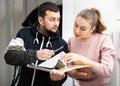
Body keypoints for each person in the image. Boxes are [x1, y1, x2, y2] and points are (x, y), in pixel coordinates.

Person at [4, 2, 68, 86]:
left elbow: (62, 76)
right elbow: (9, 56)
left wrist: (54, 80)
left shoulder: (62, 44)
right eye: (52, 19)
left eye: (58, 19)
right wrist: (35, 55)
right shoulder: (24, 34)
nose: (56, 23)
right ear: (41, 20)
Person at [61, 8, 116, 86]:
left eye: (83, 28)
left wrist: (83, 60)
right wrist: (82, 75)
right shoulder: (72, 40)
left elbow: (107, 71)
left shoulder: (104, 40)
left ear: (92, 29)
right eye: (75, 25)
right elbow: (69, 70)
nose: (76, 31)